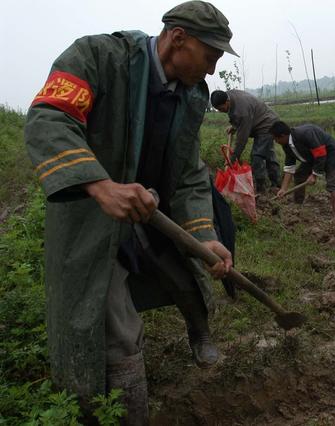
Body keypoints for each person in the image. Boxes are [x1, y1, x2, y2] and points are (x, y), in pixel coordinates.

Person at [23, 1, 236, 423]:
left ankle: (199, 329)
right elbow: (49, 118)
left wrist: (204, 236)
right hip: (93, 216)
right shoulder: (99, 58)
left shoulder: (191, 96)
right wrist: (99, 185)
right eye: (210, 56)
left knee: (185, 273)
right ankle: (115, 408)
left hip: (155, 212)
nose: (212, 71)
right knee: (111, 321)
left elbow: (191, 172)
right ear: (178, 38)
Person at [210, 89, 281, 193]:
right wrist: (234, 126)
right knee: (268, 154)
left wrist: (233, 158)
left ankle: (261, 190)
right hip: (258, 121)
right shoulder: (229, 96)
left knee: (257, 156)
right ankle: (276, 184)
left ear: (227, 101)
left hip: (267, 125)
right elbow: (239, 119)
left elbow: (241, 140)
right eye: (218, 109)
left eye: (221, 108)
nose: (221, 111)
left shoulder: (242, 111)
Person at [269, 121, 335, 216]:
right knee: (300, 175)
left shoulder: (305, 133)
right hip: (312, 157)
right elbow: (289, 167)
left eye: (276, 139)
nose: (276, 142)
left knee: (333, 184)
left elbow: (320, 153)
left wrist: (314, 175)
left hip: (330, 154)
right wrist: (283, 189)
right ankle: (297, 205)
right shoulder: (286, 145)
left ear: (283, 135)